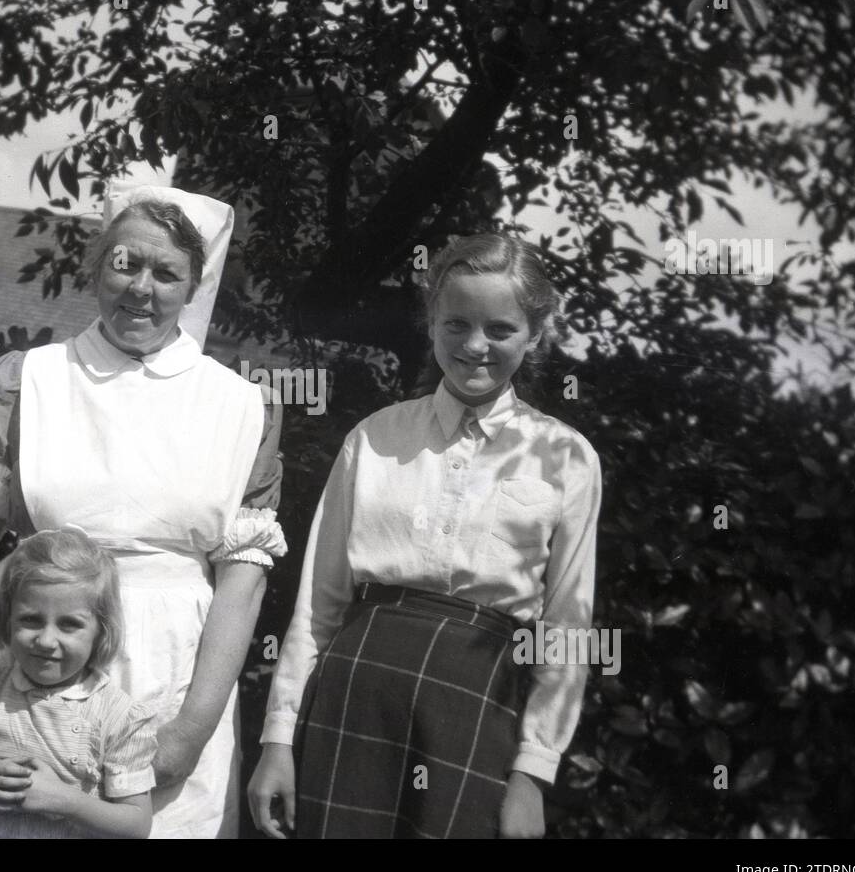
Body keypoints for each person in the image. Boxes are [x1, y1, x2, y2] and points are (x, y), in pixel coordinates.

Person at [0, 184, 286, 839]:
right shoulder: (27, 381)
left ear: (195, 285)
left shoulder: (242, 407)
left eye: (166, 272)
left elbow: (242, 590)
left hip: (171, 670)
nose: (142, 288)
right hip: (22, 661)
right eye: (125, 263)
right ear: (96, 262)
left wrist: (189, 732)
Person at [248, 232, 602, 839]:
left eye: (500, 329)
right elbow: (317, 603)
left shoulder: (566, 458)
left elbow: (567, 627)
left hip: (476, 700)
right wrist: (279, 739)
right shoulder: (374, 438)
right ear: (431, 323)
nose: (474, 345)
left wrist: (534, 773)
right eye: (456, 323)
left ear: (536, 335)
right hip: (355, 692)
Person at [0, 528, 155, 838]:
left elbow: (137, 825)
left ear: (101, 632)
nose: (46, 640)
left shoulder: (119, 717)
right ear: (7, 620)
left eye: (69, 625)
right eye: (30, 619)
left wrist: (68, 800)